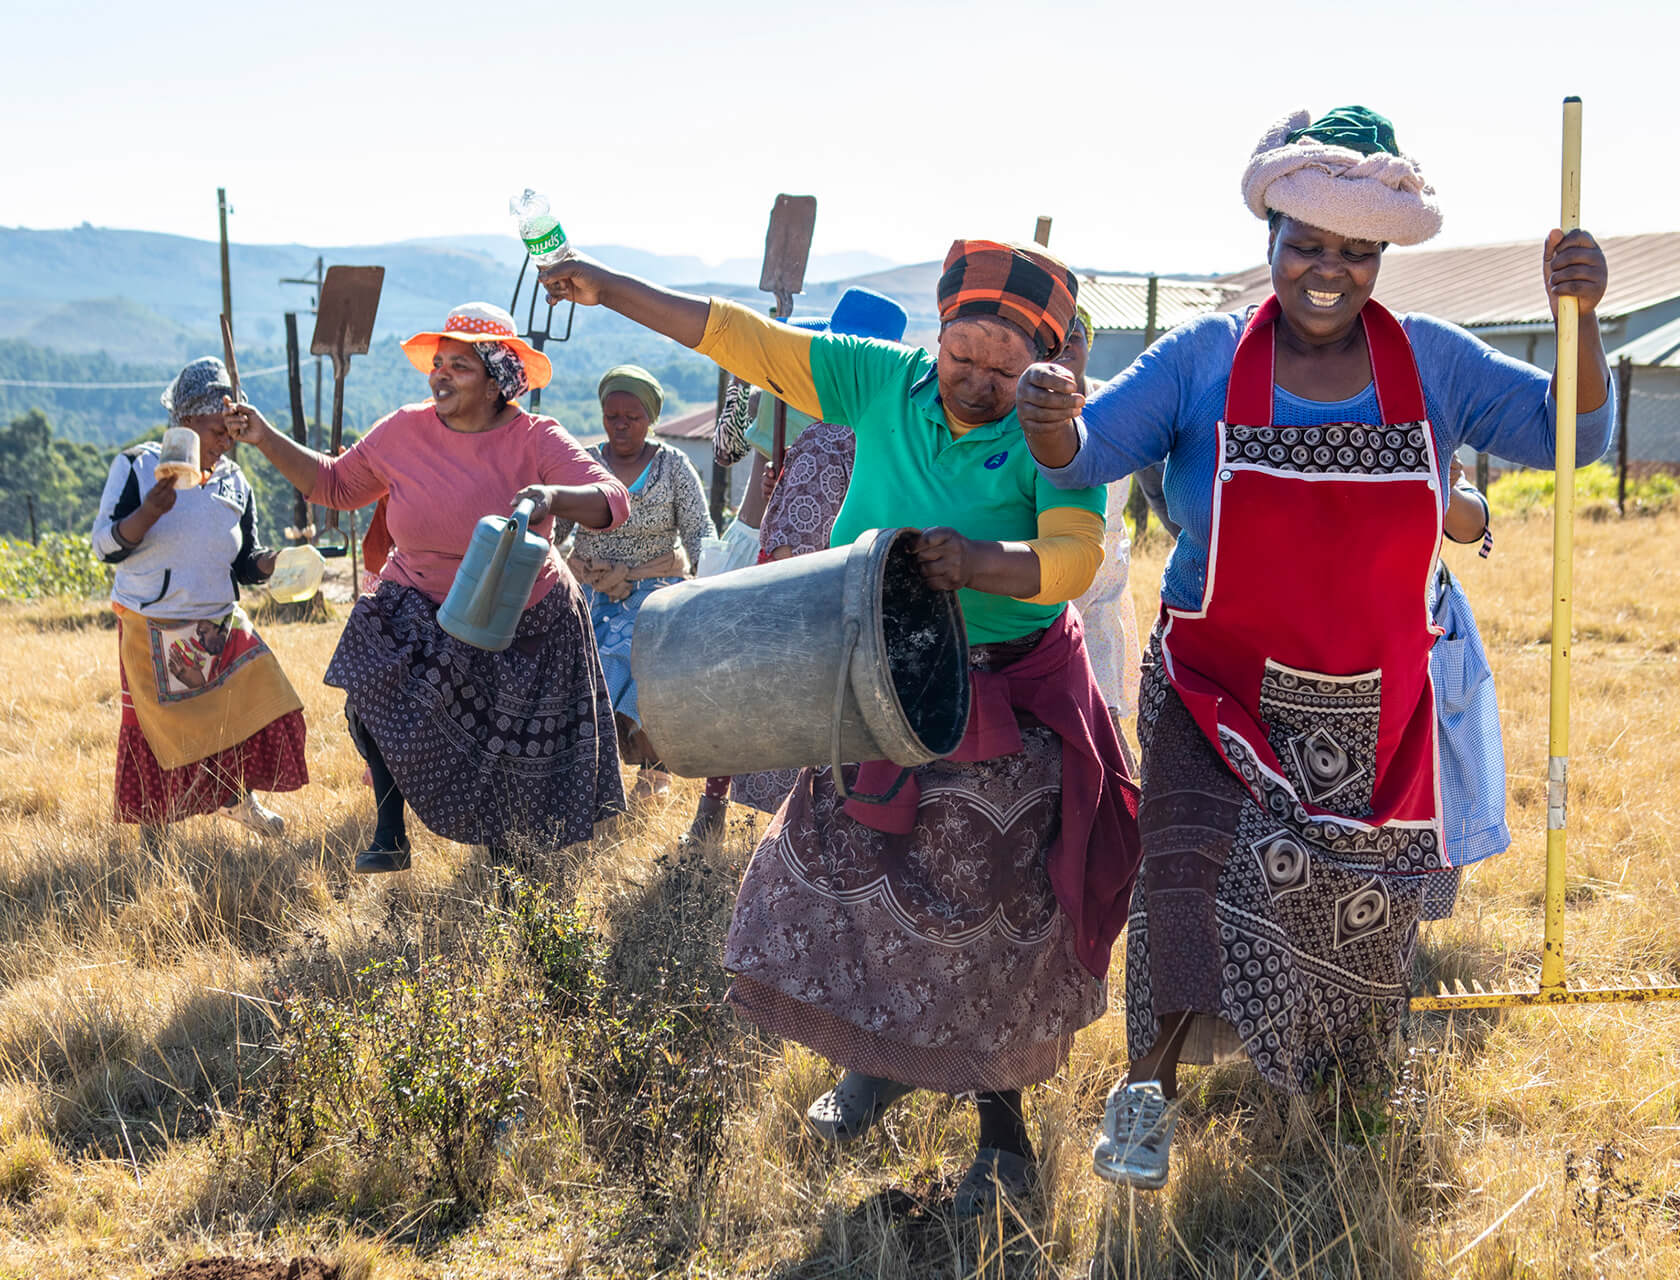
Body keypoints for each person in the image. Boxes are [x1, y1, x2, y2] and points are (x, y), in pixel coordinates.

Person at [1016, 105, 1615, 1188]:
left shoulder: (1430, 361)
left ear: (1384, 256)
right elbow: (1082, 455)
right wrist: (1053, 415)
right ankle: (1148, 1095)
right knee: (1185, 877)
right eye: (1307, 246)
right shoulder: (1203, 359)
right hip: (1212, 681)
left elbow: (1573, 434)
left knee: (1356, 916)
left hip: (1370, 703)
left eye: (1356, 252)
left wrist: (1583, 320)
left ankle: (1341, 1114)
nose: (1328, 272)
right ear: (1271, 245)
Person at [541, 238, 1141, 1216]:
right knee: (841, 870)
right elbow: (744, 338)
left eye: (1005, 365)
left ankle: (1003, 1141)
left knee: (978, 915)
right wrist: (607, 288)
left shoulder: (1056, 426)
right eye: (963, 355)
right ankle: (880, 1063)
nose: (979, 382)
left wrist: (979, 562)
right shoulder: (881, 382)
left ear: (1042, 359)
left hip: (1006, 699)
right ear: (936, 332)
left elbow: (1074, 552)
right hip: (882, 669)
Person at [227, 302, 631, 873]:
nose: (440, 374)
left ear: (496, 381)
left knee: (504, 763)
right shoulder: (404, 430)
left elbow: (613, 500)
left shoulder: (534, 437)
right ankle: (390, 833)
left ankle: (515, 883)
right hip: (417, 596)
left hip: (518, 617)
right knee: (370, 680)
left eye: (459, 366)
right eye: (437, 363)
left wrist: (550, 496)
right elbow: (334, 484)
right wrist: (264, 436)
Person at [688, 287, 911, 835]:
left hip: (805, 601)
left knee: (768, 710)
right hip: (864, 599)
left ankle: (770, 836)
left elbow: (794, 545)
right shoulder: (884, 433)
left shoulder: (827, 438)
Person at [91, 357, 307, 847]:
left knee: (256, 702)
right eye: (217, 429)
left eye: (232, 431)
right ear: (186, 420)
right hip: (153, 626)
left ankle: (238, 799)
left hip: (219, 624)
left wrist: (275, 562)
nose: (226, 441)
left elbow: (244, 563)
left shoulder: (235, 482)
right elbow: (105, 545)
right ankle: (156, 833)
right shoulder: (137, 466)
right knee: (157, 731)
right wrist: (148, 512)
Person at [558, 364, 713, 801]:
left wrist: (714, 588)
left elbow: (699, 532)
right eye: (612, 417)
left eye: (633, 417)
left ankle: (654, 771)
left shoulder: (673, 466)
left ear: (651, 419)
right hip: (591, 590)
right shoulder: (582, 465)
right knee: (580, 665)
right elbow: (553, 534)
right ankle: (590, 777)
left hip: (654, 589)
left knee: (644, 657)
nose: (621, 425)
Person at [1425, 455, 1509, 920]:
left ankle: (1420, 926)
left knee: (1443, 765)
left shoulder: (1426, 415)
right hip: (1333, 619)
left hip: (1425, 617)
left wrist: (1443, 480)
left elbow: (1471, 524)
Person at [1061, 307, 1143, 759]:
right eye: (1054, 340)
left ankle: (1117, 796)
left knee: (1103, 705)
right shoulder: (1023, 408)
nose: (1064, 349)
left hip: (1105, 577)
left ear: (1089, 345)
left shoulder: (1112, 404)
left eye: (1075, 339)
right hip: (1053, 581)